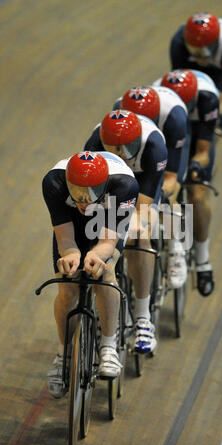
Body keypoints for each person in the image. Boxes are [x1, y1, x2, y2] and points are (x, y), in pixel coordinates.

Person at [42, 150, 139, 398]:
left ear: (103, 186)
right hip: (73, 221)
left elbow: (108, 241)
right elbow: (65, 237)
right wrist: (71, 254)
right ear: (68, 184)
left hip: (108, 216)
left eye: (91, 194)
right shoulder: (53, 182)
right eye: (78, 194)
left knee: (105, 276)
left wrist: (98, 256)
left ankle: (108, 346)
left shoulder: (124, 186)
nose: (84, 201)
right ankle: (63, 353)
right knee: (67, 286)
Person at [84, 110, 168, 353]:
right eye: (114, 148)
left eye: (125, 148)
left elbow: (141, 208)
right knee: (99, 237)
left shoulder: (153, 145)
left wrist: (132, 225)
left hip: (142, 182)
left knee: (140, 234)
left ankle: (143, 319)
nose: (120, 153)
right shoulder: (94, 142)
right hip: (112, 184)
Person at [113, 85, 189, 289]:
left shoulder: (174, 119)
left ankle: (176, 248)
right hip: (134, 150)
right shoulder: (118, 114)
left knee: (168, 193)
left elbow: (170, 176)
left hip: (163, 150)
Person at [155, 69, 219, 296]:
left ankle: (203, 261)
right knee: (168, 185)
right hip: (169, 132)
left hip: (196, 129)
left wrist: (195, 166)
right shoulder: (158, 100)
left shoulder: (208, 100)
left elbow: (203, 151)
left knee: (196, 193)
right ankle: (170, 240)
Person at [170, 12, 222, 132]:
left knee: (218, 114)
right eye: (195, 50)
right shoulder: (178, 42)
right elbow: (177, 83)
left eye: (203, 51)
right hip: (191, 63)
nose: (200, 57)